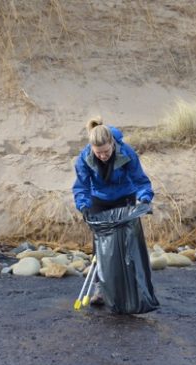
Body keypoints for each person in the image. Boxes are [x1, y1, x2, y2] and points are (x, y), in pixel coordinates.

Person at [72, 116, 154, 305]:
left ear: (112, 143)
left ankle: (129, 290)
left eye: (106, 151)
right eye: (98, 152)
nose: (102, 156)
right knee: (101, 247)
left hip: (124, 198)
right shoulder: (84, 158)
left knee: (126, 245)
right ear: (92, 148)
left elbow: (140, 180)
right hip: (98, 201)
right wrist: (83, 205)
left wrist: (144, 199)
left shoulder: (127, 153)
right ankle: (100, 289)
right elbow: (81, 186)